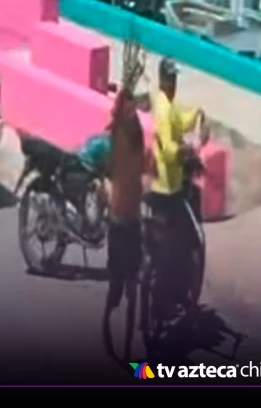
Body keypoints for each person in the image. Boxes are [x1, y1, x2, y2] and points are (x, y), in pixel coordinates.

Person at [147, 58, 208, 314]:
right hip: (167, 189)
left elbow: (178, 121)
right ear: (163, 80)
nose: (173, 84)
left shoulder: (166, 105)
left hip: (165, 186)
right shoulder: (163, 109)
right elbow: (171, 150)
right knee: (194, 238)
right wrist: (190, 150)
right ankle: (168, 298)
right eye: (170, 80)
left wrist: (198, 114)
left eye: (175, 80)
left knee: (174, 241)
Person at [101, 87, 145, 362]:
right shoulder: (115, 138)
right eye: (127, 107)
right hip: (118, 221)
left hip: (133, 221)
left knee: (132, 288)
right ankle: (107, 328)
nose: (132, 112)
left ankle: (128, 350)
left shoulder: (134, 135)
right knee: (117, 287)